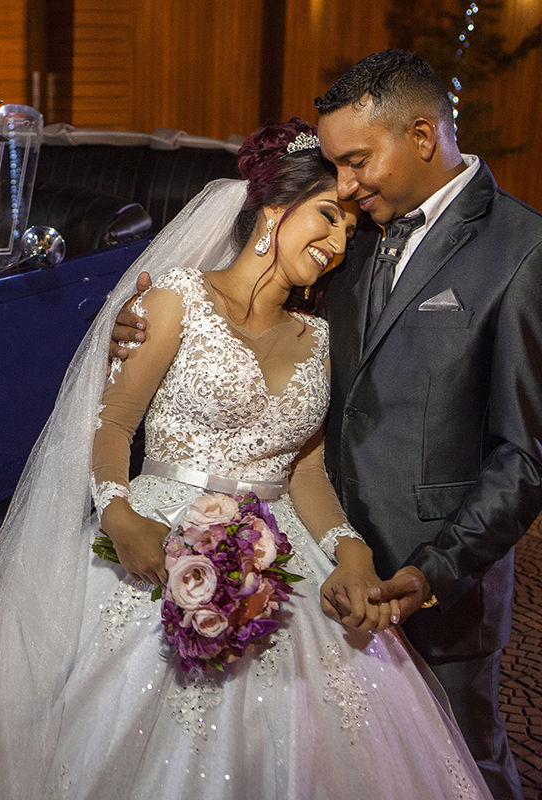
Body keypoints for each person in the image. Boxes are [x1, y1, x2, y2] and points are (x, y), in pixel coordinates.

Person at [0, 119, 491, 799]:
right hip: (157, 534)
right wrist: (119, 515)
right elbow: (113, 423)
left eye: (350, 229)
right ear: (275, 210)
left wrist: (349, 551)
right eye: (327, 216)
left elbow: (305, 470)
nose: (339, 244)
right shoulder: (175, 298)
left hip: (284, 555)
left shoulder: (317, 336)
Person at [114, 51, 542, 800]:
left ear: (421, 136)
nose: (344, 186)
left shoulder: (524, 250)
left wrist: (432, 573)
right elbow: (252, 307)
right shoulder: (351, 228)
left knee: (461, 767)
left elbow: (525, 456)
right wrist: (137, 328)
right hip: (307, 560)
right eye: (336, 171)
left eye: (356, 161)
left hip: (434, 574)